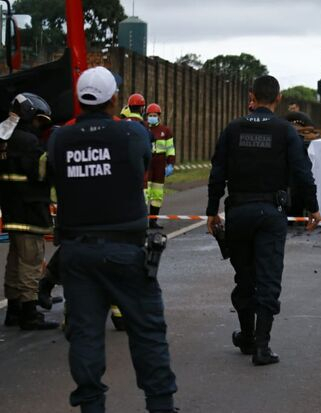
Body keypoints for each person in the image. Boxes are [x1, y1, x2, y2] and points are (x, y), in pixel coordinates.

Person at [47, 66, 177, 413]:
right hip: (126, 249)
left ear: (79, 99)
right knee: (147, 332)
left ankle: (91, 406)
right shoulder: (133, 133)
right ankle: (160, 404)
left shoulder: (60, 137)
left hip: (76, 252)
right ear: (113, 100)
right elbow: (145, 161)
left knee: (85, 334)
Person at [206, 75, 321, 366]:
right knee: (268, 279)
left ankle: (246, 336)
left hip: (238, 212)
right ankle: (262, 346)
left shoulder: (233, 129)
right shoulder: (286, 132)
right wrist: (313, 207)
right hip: (271, 213)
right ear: (278, 98)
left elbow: (217, 173)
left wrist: (211, 211)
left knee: (244, 278)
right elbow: (302, 173)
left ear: (251, 96)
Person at [0, 93, 59, 330]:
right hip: (29, 210)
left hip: (11, 210)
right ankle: (29, 313)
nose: (39, 126)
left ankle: (13, 310)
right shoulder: (28, 142)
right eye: (38, 121)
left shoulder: (4, 139)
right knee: (31, 261)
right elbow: (42, 173)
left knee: (14, 260)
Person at [145, 103, 176, 229]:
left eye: (154, 115)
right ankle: (142, 221)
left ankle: (153, 221)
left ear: (159, 116)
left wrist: (170, 164)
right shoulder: (144, 128)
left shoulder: (165, 131)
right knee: (145, 193)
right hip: (147, 164)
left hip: (159, 165)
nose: (152, 117)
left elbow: (170, 149)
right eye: (150, 115)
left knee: (157, 194)